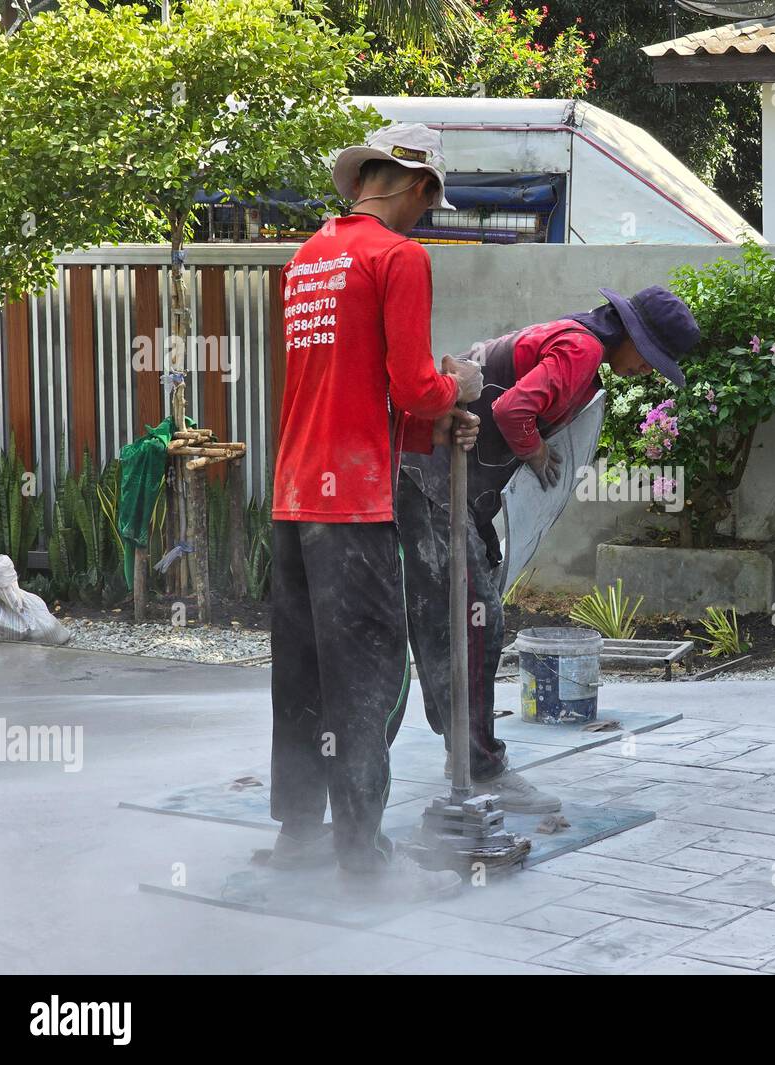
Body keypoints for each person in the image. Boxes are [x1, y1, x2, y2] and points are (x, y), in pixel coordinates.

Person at [269, 123, 482, 875]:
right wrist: (460, 390)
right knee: (371, 675)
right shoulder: (399, 257)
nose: (426, 216)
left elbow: (347, 384)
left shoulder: (307, 258)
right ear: (417, 185)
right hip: (355, 503)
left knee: (300, 670)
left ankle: (296, 834)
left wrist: (427, 417)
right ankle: (360, 854)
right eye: (430, 202)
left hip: (293, 496)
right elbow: (412, 385)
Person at [399, 286, 701, 813]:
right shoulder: (582, 350)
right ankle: (479, 765)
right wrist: (536, 452)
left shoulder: (573, 338)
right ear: (630, 334)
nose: (649, 371)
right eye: (651, 358)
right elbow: (513, 408)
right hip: (431, 478)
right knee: (474, 621)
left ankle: (466, 755)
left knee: (454, 620)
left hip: (435, 475)